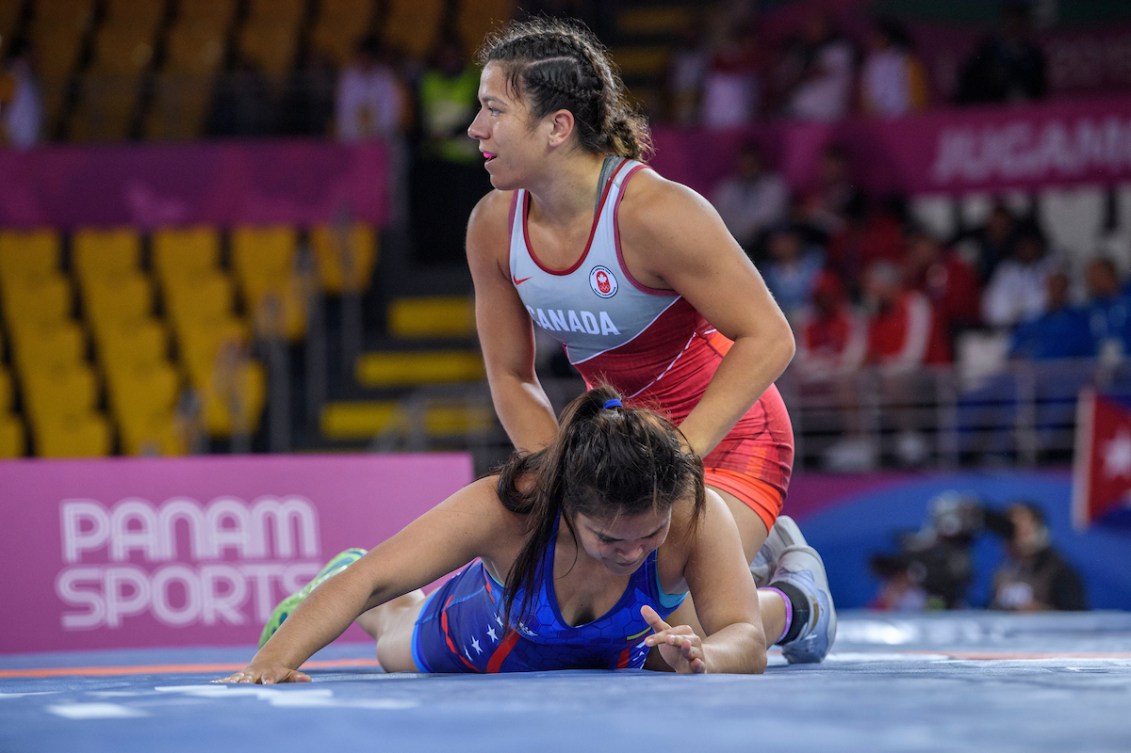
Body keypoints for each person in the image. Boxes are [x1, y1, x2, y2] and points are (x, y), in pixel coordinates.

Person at [463, 17, 800, 588]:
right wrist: (561, 476)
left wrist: (674, 461)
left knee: (673, 622)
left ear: (557, 127)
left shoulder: (655, 213)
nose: (475, 128)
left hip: (732, 437)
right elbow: (512, 375)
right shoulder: (492, 226)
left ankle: (796, 598)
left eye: (494, 111)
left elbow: (770, 336)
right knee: (582, 607)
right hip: (624, 456)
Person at [218, 388, 836, 682]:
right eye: (610, 540)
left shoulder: (696, 512)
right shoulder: (506, 509)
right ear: (567, 505)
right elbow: (370, 578)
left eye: (649, 536)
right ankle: (800, 601)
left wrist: (705, 659)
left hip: (624, 651)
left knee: (695, 630)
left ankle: (800, 599)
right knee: (392, 643)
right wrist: (273, 661)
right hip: (486, 639)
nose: (633, 554)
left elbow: (742, 641)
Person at [987, 501, 1087, 612]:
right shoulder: (1003, 573)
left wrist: (1041, 612)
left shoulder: (1059, 571)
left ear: (1039, 529)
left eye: (1024, 531)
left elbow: (1077, 618)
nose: (1018, 538)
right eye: (1012, 531)